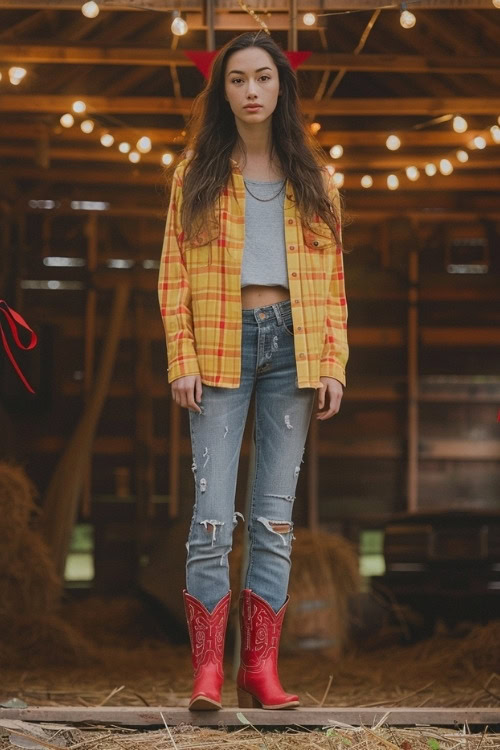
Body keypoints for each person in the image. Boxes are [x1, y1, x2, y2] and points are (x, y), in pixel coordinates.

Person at [158, 30, 349, 711]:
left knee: (273, 520)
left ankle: (259, 670)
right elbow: (171, 273)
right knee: (212, 517)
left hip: (293, 348)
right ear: (223, 91)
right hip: (217, 343)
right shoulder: (195, 175)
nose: (251, 91)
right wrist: (182, 358)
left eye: (263, 78)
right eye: (238, 79)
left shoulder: (315, 179)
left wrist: (333, 363)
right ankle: (209, 671)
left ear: (282, 87)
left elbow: (333, 284)